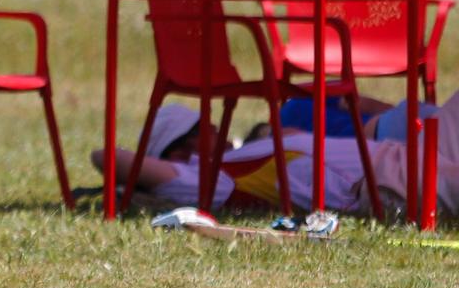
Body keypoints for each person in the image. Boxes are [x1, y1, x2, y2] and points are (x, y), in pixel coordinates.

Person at [98, 101, 459, 217]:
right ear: (181, 151)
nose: (217, 126)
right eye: (205, 126)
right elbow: (106, 156)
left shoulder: (243, 155)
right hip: (384, 181)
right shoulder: (210, 179)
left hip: (404, 152)